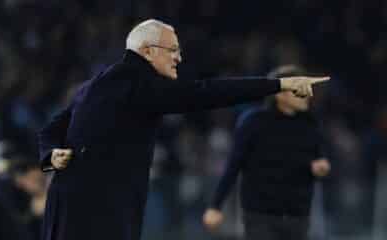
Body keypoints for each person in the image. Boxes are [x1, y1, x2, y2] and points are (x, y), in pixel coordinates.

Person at [38, 20, 328, 240]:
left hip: (68, 209)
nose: (179, 58)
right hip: (99, 215)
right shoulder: (139, 83)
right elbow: (205, 93)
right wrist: (278, 84)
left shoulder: (98, 83)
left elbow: (53, 127)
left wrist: (51, 154)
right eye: (173, 50)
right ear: (148, 52)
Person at [203, 65, 331, 240]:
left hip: (298, 215)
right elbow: (234, 165)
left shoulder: (311, 123)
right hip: (260, 215)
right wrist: (215, 206)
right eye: (298, 88)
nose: (306, 94)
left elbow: (318, 159)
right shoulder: (254, 122)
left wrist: (320, 168)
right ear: (280, 93)